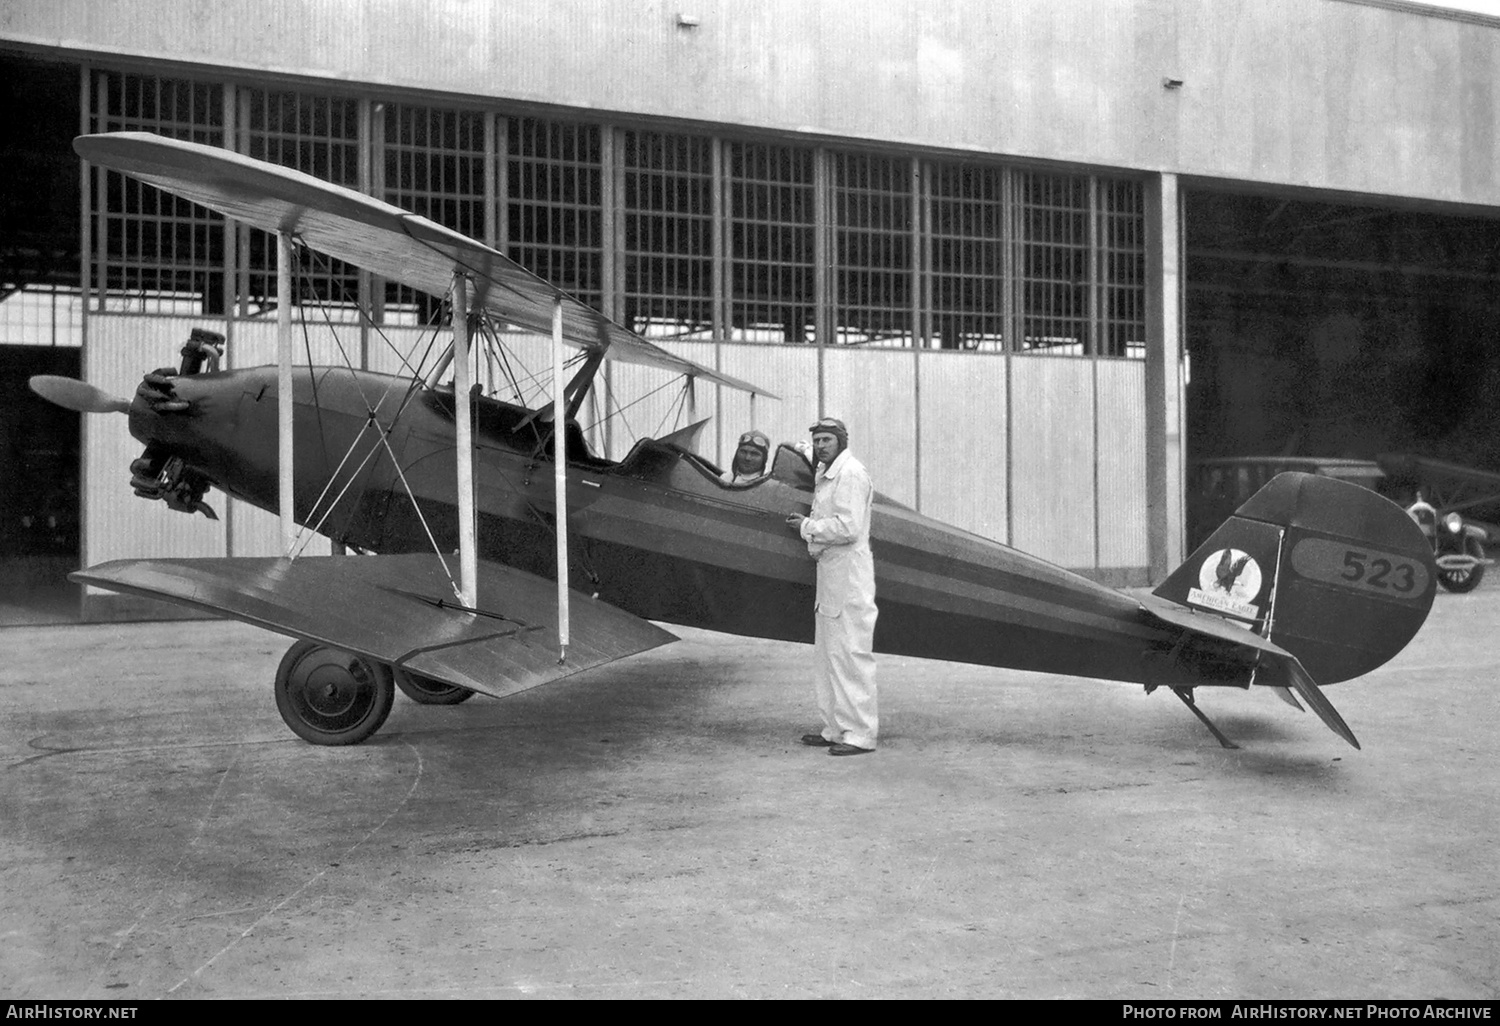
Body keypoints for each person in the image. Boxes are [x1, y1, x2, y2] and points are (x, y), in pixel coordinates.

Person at [784, 417, 878, 756]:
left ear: (840, 441)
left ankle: (861, 734)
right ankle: (835, 729)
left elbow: (849, 527)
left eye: (827, 440)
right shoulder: (828, 472)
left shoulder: (850, 474)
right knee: (828, 656)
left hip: (849, 576)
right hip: (831, 573)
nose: (821, 446)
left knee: (850, 655)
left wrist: (806, 527)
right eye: (818, 440)